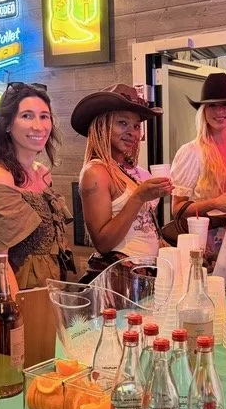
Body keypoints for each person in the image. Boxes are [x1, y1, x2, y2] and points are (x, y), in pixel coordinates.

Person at [0, 82, 71, 296]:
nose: (39, 126)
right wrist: (16, 315)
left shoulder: (42, 172)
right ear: (6, 124)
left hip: (52, 289)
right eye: (27, 116)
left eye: (44, 116)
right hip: (20, 295)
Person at [73, 84, 171, 270]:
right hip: (122, 277)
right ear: (102, 126)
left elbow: (144, 227)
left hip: (145, 273)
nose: (132, 132)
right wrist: (139, 197)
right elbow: (102, 243)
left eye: (136, 126)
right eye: (122, 123)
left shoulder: (137, 171)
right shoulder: (96, 172)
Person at [170, 73, 226, 265]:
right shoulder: (191, 152)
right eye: (212, 105)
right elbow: (177, 210)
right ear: (203, 111)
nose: (219, 111)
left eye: (225, 104)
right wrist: (215, 203)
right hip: (203, 246)